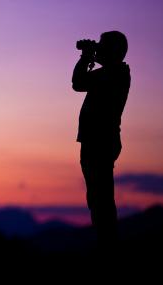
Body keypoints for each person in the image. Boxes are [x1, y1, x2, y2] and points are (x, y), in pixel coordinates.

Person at [72, 31, 131, 250]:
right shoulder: (112, 72)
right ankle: (106, 242)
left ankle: (108, 245)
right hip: (95, 141)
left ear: (114, 50)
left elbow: (78, 82)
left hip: (100, 142)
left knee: (101, 200)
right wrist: (88, 56)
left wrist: (87, 56)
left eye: (103, 45)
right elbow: (79, 83)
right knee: (98, 199)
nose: (99, 47)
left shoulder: (116, 74)